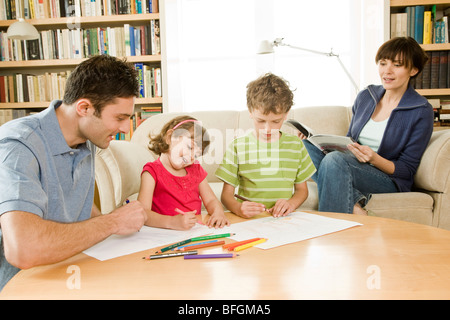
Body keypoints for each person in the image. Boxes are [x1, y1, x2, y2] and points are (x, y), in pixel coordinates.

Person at [0, 55, 148, 291]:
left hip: (72, 274)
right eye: (120, 118)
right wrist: (112, 223)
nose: (124, 129)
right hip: (25, 287)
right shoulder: (18, 145)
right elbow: (23, 250)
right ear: (84, 108)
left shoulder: (86, 138)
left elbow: (79, 205)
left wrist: (115, 226)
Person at [301, 36, 434, 215]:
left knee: (334, 161)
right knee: (305, 147)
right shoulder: (366, 96)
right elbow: (350, 140)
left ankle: (330, 230)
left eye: (397, 65)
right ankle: (354, 201)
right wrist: (319, 141)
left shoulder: (421, 110)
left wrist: (374, 159)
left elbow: (407, 170)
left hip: (388, 179)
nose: (387, 71)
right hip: (351, 165)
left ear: (413, 70)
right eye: (383, 63)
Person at [215, 73, 316, 218]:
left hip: (282, 220)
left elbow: (302, 190)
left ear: (286, 114)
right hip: (250, 222)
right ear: (250, 111)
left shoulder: (296, 146)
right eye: (260, 121)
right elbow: (226, 196)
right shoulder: (238, 146)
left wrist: (291, 204)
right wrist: (238, 208)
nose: (267, 129)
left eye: (275, 121)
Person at [138, 115, 230, 229]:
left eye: (196, 155)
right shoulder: (152, 172)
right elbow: (143, 212)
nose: (191, 157)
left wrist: (218, 213)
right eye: (190, 147)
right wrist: (172, 222)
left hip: (195, 232)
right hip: (164, 234)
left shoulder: (196, 170)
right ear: (170, 137)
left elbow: (211, 200)